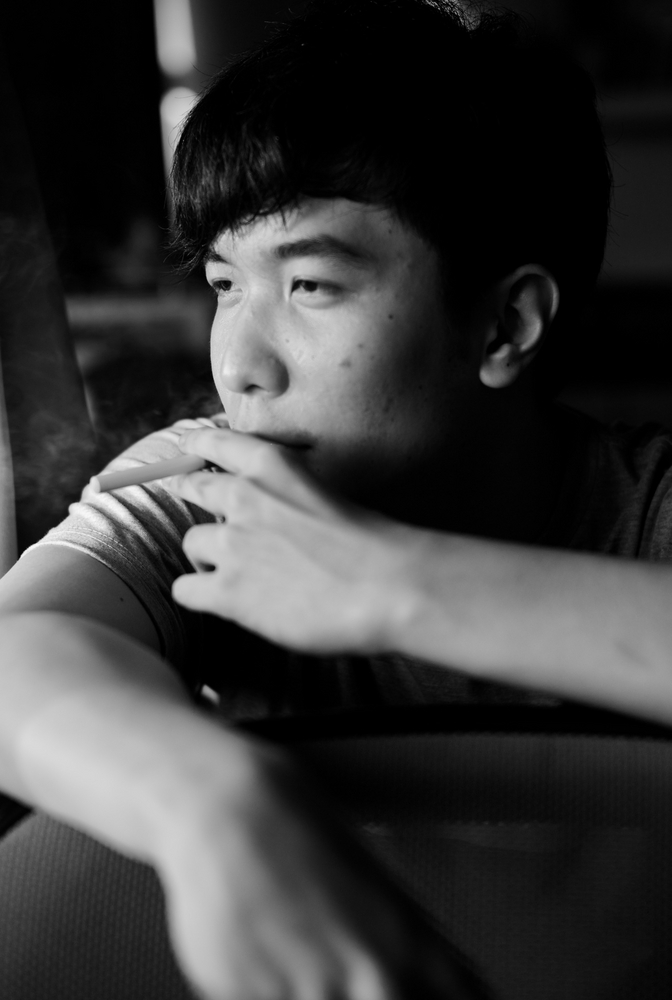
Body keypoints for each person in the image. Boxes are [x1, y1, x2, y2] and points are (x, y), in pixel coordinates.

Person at [1, 0, 672, 996]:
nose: (240, 365)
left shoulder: (647, 504)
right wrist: (214, 805)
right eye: (225, 285)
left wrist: (388, 583)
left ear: (504, 325)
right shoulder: (212, 497)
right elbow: (15, 651)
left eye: (310, 285)